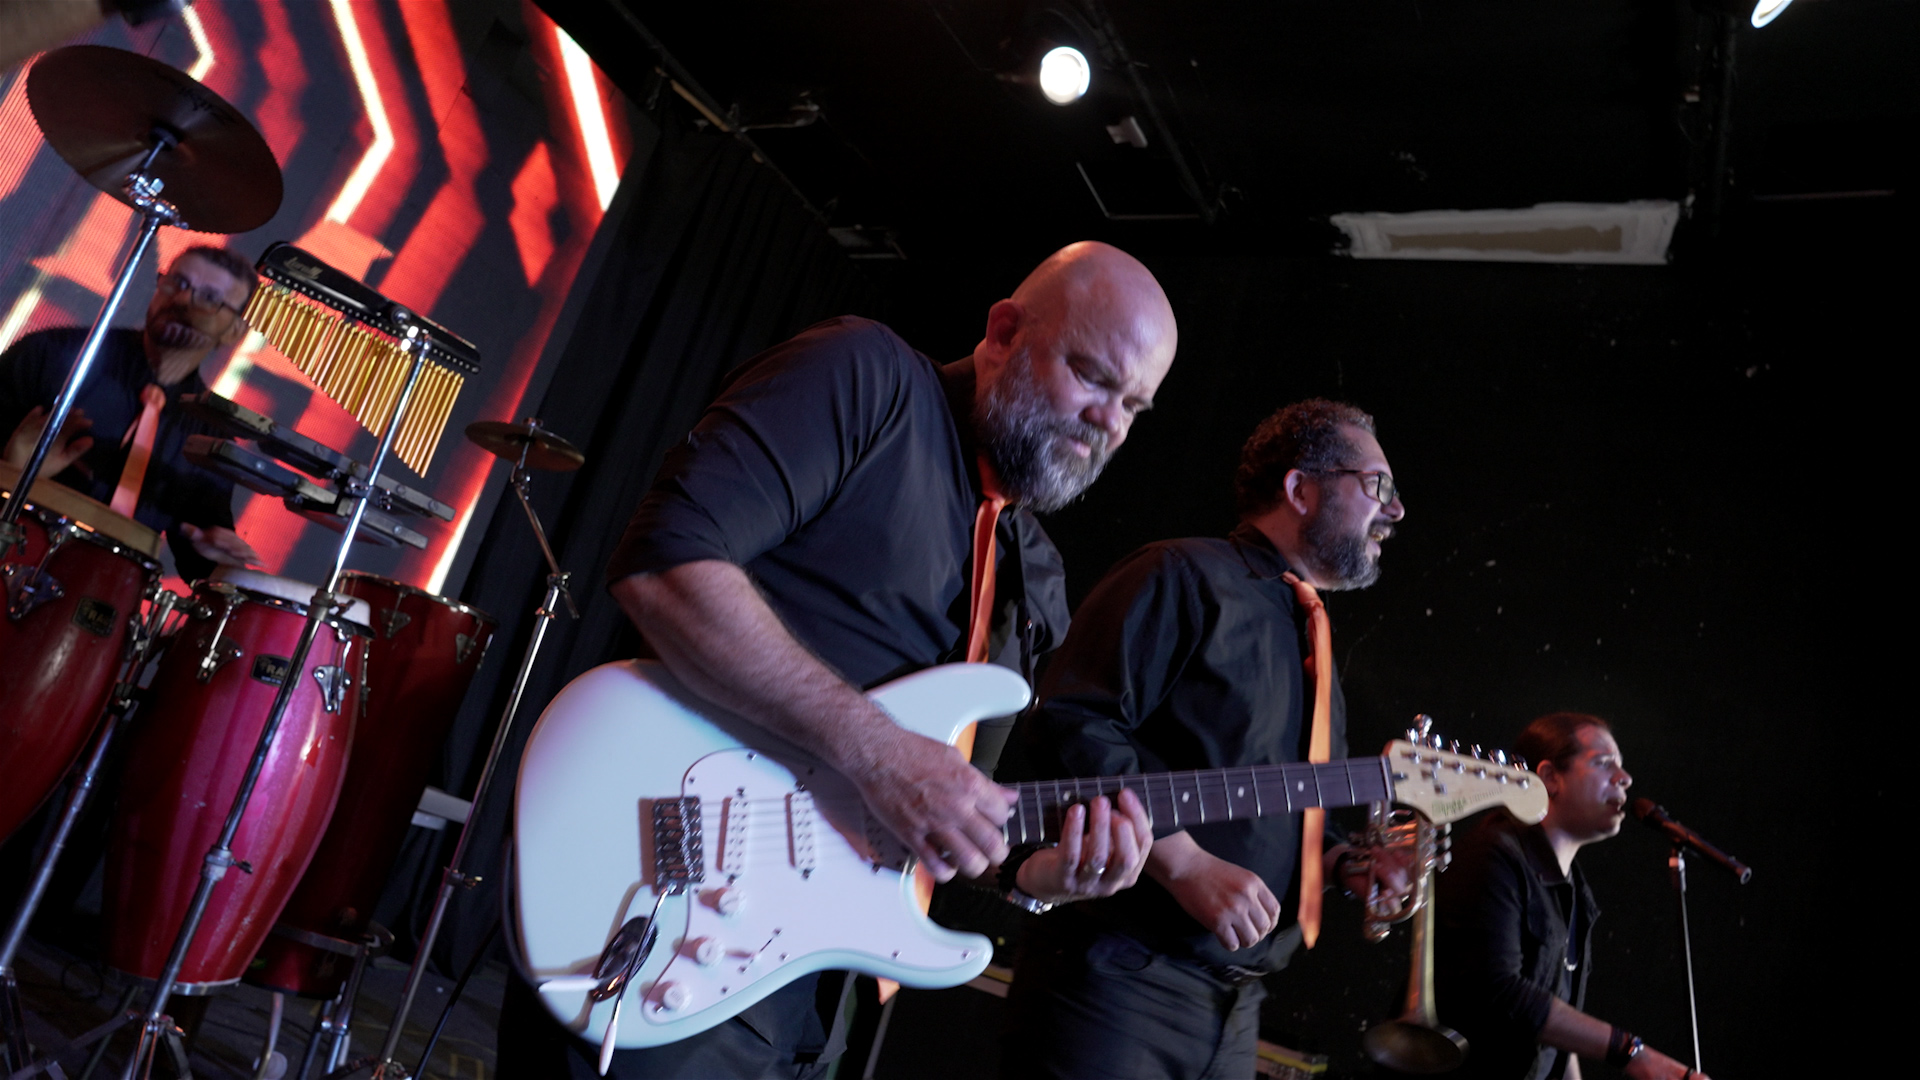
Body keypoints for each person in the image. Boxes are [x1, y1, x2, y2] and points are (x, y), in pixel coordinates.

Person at [498, 241, 1178, 1079]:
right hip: (676, 918)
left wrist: (1047, 874)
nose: (1109, 421)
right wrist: (877, 749)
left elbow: (957, 815)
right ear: (1003, 331)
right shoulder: (869, 378)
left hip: (830, 1006)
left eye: (1135, 407)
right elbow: (666, 563)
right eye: (1093, 377)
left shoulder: (1035, 574)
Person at [1003, 398, 1412, 1080]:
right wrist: (1184, 863)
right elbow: (1074, 725)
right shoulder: (1181, 574)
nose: (1394, 511)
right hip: (1118, 975)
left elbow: (1275, 808)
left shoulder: (1314, 640)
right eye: (1377, 486)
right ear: (1300, 489)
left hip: (1235, 1008)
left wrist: (1347, 865)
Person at [1436, 714, 1709, 1080]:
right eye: (1602, 763)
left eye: (1622, 767)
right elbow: (1499, 992)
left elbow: (1554, 1032)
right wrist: (1634, 1054)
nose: (1624, 778)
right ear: (1550, 778)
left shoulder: (1576, 892)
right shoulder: (1493, 856)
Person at [1, 245, 260, 580]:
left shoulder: (212, 435)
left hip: (98, 602)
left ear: (235, 331)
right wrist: (10, 470)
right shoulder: (52, 355)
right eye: (177, 283)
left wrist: (212, 557)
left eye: (210, 298)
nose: (182, 300)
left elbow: (201, 563)